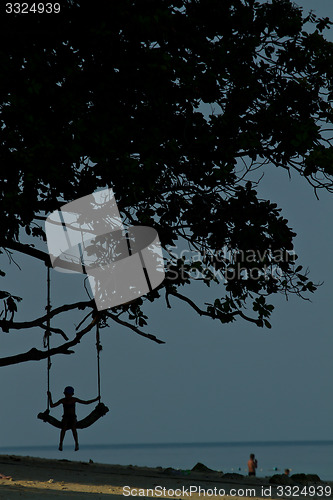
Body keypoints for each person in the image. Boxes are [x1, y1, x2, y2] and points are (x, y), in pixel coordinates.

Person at [48, 387, 99, 451]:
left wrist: (96, 399)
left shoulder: (74, 400)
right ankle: (61, 444)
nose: (67, 396)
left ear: (72, 394)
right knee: (63, 429)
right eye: (66, 394)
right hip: (65, 417)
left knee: (73, 428)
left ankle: (76, 444)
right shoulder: (63, 400)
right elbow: (52, 406)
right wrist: (50, 397)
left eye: (69, 394)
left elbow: (86, 402)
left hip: (73, 417)